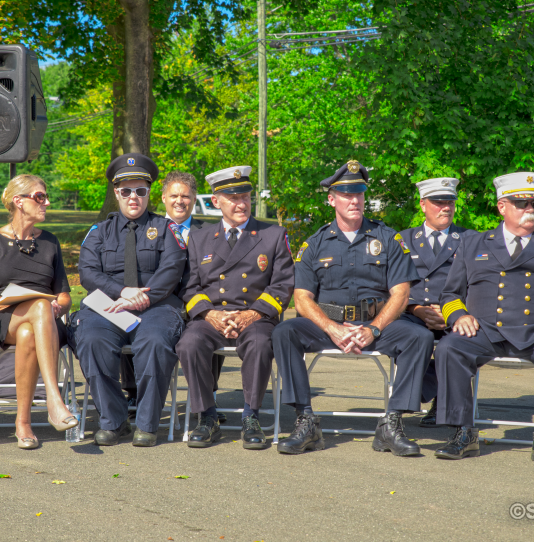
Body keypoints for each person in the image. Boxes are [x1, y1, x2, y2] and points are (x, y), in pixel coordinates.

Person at [434, 172, 534, 468]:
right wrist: (458, 316)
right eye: (521, 203)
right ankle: (463, 433)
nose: (529, 209)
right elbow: (450, 294)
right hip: (485, 331)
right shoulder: (473, 244)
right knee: (449, 349)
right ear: (502, 207)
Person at [271, 160, 434, 456]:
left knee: (419, 337)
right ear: (331, 199)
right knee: (285, 332)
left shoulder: (387, 238)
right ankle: (306, 421)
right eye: (346, 194)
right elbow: (302, 299)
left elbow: (401, 293)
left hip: (376, 325)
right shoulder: (315, 244)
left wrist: (373, 329)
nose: (354, 200)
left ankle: (392, 423)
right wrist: (332, 329)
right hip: (329, 327)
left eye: (359, 193)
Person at [175, 165, 294, 450]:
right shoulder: (200, 237)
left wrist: (251, 314)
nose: (241, 203)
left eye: (246, 197)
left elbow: (282, 285)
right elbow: (189, 286)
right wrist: (210, 314)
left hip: (255, 316)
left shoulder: (272, 234)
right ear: (216, 202)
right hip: (212, 316)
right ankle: (207, 415)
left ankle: (251, 415)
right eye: (233, 198)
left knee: (260, 344)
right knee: (188, 344)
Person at [73, 153, 187, 447]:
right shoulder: (99, 232)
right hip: (108, 305)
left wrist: (140, 299)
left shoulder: (166, 229)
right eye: (126, 191)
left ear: (150, 193)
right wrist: (121, 292)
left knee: (153, 342)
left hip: (157, 306)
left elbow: (173, 269)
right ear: (116, 193)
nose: (133, 197)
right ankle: (114, 421)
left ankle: (148, 425)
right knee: (91, 339)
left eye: (140, 190)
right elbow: (87, 272)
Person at [0, 175, 76, 449]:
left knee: (30, 330)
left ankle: (23, 423)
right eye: (40, 197)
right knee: (39, 307)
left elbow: (65, 295)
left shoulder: (50, 242)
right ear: (19, 202)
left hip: (41, 322)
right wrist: (24, 302)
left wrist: (59, 305)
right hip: (3, 318)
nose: (47, 203)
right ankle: (54, 400)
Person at [119, 171, 212, 416]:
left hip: (195, 301)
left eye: (186, 196)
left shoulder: (210, 233)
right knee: (130, 320)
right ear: (163, 198)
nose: (179, 201)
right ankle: (135, 392)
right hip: (156, 302)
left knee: (209, 321)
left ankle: (207, 398)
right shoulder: (146, 227)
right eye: (174, 195)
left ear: (194, 199)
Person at [397, 178, 476, 427]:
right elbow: (390, 285)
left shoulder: (471, 239)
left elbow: (479, 285)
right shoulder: (403, 239)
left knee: (457, 345)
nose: (446, 207)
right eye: (438, 202)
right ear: (422, 204)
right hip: (413, 313)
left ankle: (442, 400)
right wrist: (416, 309)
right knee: (405, 337)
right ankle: (405, 404)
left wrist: (452, 312)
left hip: (455, 314)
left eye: (450, 202)